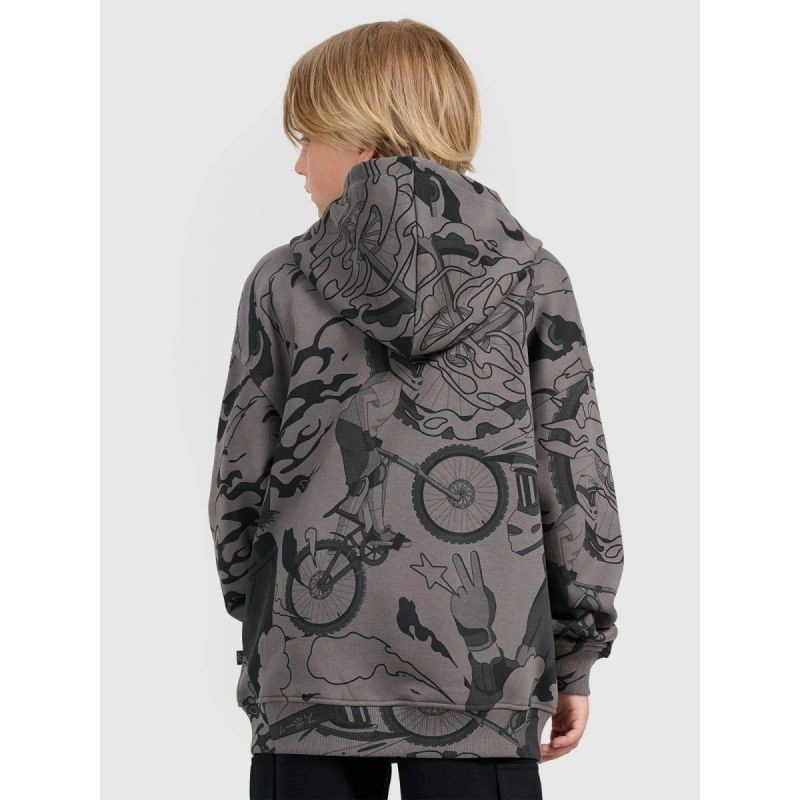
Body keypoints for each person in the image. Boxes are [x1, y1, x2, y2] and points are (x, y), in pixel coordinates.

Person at [208, 18, 625, 800]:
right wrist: (576, 652)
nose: (298, 164)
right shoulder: (532, 278)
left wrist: (264, 617)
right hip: (486, 675)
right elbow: (575, 482)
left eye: (308, 137)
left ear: (363, 140)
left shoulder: (281, 283)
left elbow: (239, 483)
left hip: (310, 674)